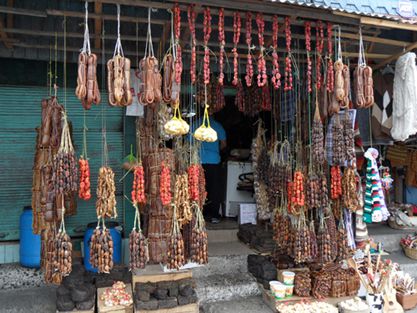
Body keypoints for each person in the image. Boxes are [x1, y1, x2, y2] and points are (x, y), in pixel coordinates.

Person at [193, 115, 226, 224]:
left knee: (198, 188)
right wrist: (215, 150)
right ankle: (214, 216)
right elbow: (224, 144)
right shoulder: (217, 126)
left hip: (198, 161)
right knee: (214, 189)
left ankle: (199, 214)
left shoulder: (195, 125)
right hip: (214, 161)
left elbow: (188, 143)